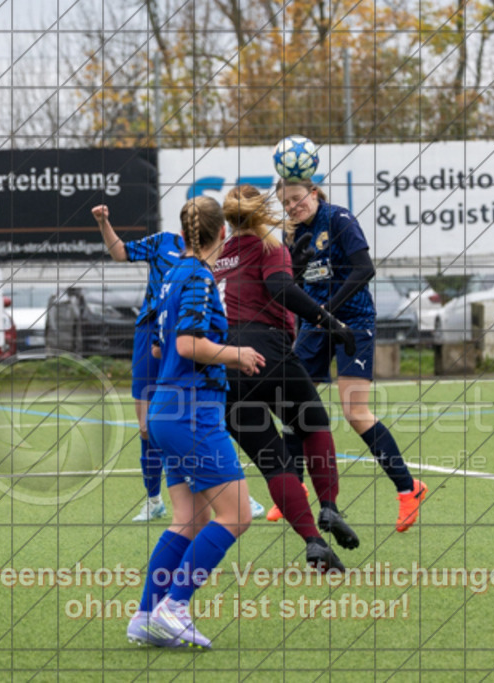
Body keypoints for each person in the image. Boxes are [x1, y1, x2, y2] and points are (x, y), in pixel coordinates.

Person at [127, 196, 266, 649]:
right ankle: (175, 605)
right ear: (220, 235)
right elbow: (188, 344)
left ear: (185, 234)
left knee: (189, 518)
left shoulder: (169, 277)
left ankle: (147, 614)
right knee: (238, 514)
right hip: (192, 411)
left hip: (167, 407)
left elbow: (158, 348)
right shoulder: (200, 278)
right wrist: (236, 354)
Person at [215, 185, 360, 571]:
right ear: (264, 212)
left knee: (273, 462)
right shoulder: (269, 247)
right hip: (269, 352)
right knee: (314, 426)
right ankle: (328, 506)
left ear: (228, 220)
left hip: (225, 365)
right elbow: (278, 289)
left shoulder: (217, 258)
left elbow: (248, 289)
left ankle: (313, 541)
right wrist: (329, 322)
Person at [92, 205, 265, 521]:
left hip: (184, 336)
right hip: (153, 334)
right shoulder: (162, 243)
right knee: (147, 426)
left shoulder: (209, 262)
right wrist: (104, 222)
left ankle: (231, 488)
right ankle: (154, 499)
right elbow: (120, 253)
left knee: (203, 412)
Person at [275, 178, 426, 533]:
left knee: (355, 412)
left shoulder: (339, 219)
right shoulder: (292, 233)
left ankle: (408, 489)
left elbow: (365, 270)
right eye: (286, 204)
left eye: (297, 199)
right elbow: (292, 285)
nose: (293, 207)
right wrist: (296, 273)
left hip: (353, 321)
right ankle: (293, 490)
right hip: (315, 325)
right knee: (292, 402)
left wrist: (328, 309)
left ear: (313, 193)